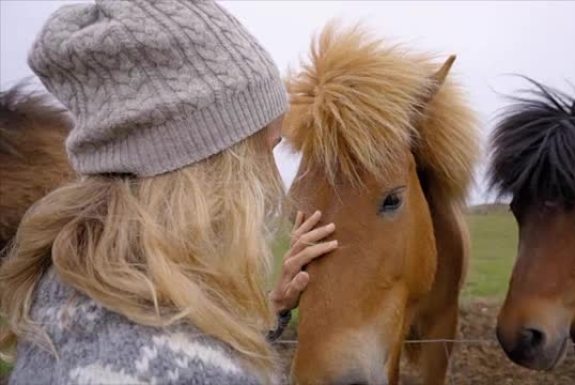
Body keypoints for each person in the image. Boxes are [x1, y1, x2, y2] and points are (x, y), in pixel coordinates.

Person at [0, 1, 337, 384]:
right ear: (210, 167)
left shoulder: (65, 297)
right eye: (269, 147)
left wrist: (271, 309)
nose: (274, 183)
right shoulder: (190, 370)